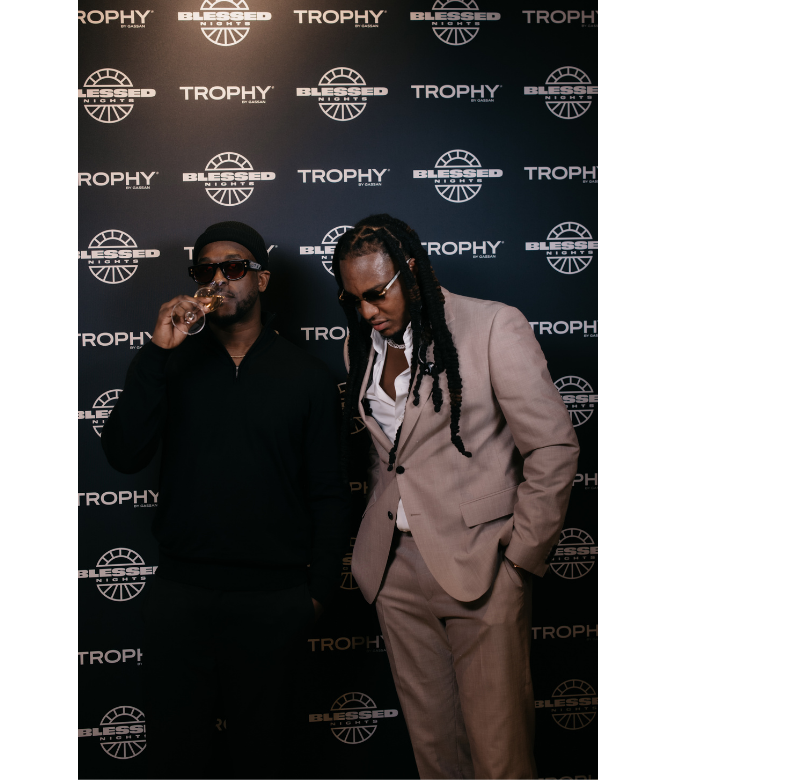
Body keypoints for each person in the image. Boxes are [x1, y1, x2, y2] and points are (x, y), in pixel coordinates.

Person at [334, 214, 580, 779]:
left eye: (377, 294)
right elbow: (390, 456)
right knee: (435, 752)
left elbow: (552, 447)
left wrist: (519, 559)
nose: (367, 311)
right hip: (395, 571)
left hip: (482, 563)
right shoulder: (361, 346)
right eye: (354, 300)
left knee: (499, 755)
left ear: (410, 269)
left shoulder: (491, 325)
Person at [101, 220, 348, 779]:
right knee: (177, 757)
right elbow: (123, 453)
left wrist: (316, 595)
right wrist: (157, 352)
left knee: (268, 758)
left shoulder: (307, 377)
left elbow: (329, 493)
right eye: (205, 270)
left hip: (274, 600)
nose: (218, 280)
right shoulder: (171, 364)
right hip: (182, 598)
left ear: (261, 279)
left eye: (233, 267)